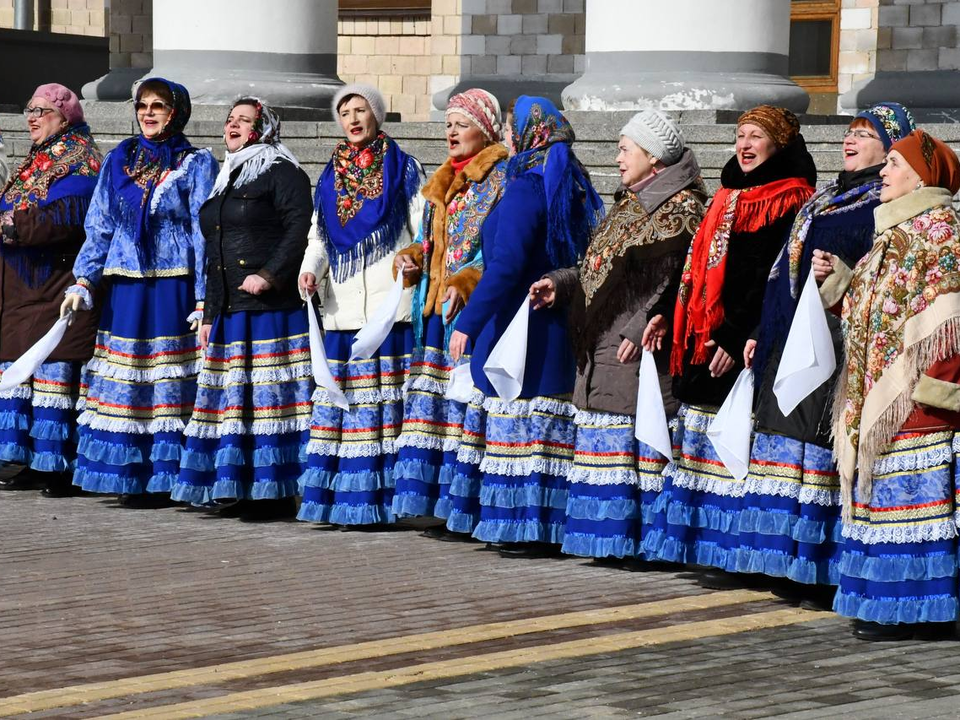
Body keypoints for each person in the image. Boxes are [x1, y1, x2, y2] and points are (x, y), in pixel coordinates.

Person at [736, 104, 915, 605]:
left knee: (809, 449)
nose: (850, 141)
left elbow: (884, 279)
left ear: (891, 147)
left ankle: (809, 562)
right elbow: (782, 269)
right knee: (779, 441)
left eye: (865, 134)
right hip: (789, 334)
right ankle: (774, 557)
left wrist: (840, 270)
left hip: (832, 343)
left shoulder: (882, 205)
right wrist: (759, 329)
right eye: (850, 133)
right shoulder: (826, 198)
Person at [641, 106, 817, 578]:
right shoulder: (726, 196)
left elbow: (768, 278)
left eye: (756, 136)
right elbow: (692, 263)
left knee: (732, 440)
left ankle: (729, 549)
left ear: (778, 144)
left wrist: (733, 333)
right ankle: (699, 543)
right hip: (701, 335)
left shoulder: (790, 200)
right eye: (740, 135)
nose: (744, 144)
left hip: (739, 341)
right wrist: (662, 312)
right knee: (699, 441)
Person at [530, 110, 707, 560]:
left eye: (626, 148)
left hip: (638, 348)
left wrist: (636, 325)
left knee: (636, 446)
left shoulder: (681, 210)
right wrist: (562, 283)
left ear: (653, 157)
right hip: (603, 345)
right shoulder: (630, 204)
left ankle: (643, 541)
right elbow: (598, 269)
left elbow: (676, 281)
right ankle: (611, 538)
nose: (618, 157)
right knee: (610, 446)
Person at [812, 129, 960, 641]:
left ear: (921, 175)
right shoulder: (893, 232)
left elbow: (949, 323)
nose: (883, 172)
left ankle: (916, 611)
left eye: (893, 163)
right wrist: (838, 281)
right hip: (882, 393)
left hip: (915, 402)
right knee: (883, 510)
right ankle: (885, 603)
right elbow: (871, 314)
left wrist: (934, 396)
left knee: (910, 511)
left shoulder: (939, 230)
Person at [449, 96, 604, 556]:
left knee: (519, 425)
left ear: (527, 135)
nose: (509, 138)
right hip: (555, 327)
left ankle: (518, 525)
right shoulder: (571, 183)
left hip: (519, 327)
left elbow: (505, 265)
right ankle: (545, 523)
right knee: (544, 434)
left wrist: (469, 322)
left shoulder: (525, 188)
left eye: (513, 130)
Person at [62, 78, 218, 507]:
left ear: (176, 112)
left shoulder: (195, 162)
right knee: (129, 381)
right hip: (126, 287)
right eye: (143, 105)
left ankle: (168, 477)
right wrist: (84, 278)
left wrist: (205, 297)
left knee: (167, 381)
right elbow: (99, 224)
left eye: (159, 106)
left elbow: (204, 233)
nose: (148, 113)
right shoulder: (119, 159)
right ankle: (128, 473)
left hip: (172, 286)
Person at [171, 98, 313, 521]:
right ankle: (234, 485)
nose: (232, 126)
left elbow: (300, 226)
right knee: (234, 403)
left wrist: (270, 274)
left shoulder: (281, 171)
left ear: (262, 128)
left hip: (269, 308)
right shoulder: (226, 176)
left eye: (243, 121)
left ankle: (273, 492)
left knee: (269, 403)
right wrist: (209, 312)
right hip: (231, 309)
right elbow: (215, 250)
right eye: (230, 119)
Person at [297, 84, 425, 527]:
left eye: (361, 109)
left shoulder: (404, 168)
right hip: (342, 310)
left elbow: (422, 228)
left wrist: (415, 257)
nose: (352, 118)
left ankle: (388, 503)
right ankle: (342, 502)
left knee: (384, 410)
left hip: (388, 310)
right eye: (345, 111)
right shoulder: (330, 175)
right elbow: (318, 237)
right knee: (346, 409)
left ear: (377, 115)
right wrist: (310, 269)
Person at [390, 89, 509, 536]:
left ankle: (466, 502)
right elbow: (432, 243)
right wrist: (412, 257)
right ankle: (438, 500)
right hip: (435, 314)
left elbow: (497, 252)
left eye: (462, 123)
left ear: (486, 129)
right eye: (448, 124)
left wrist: (464, 282)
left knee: (463, 407)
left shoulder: (499, 179)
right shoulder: (441, 181)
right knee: (435, 412)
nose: (452, 131)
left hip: (470, 313)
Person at [0, 84, 103, 496]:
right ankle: (27, 459)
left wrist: (13, 225)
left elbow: (66, 214)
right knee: (22, 379)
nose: (32, 117)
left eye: (42, 110)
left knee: (53, 380)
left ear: (65, 117)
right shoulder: (37, 159)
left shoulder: (81, 160)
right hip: (23, 289)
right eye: (29, 109)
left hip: (56, 285)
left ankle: (59, 466)